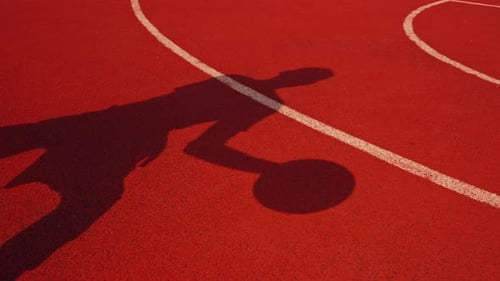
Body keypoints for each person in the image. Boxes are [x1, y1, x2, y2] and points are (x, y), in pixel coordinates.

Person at [0, 67, 333, 280]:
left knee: (24, 136)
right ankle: (11, 263)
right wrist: (267, 168)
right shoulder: (262, 100)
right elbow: (202, 145)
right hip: (128, 136)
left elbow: (177, 104)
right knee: (91, 202)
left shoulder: (239, 80)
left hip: (113, 119)